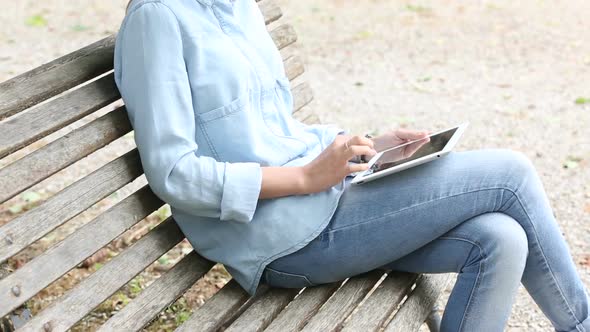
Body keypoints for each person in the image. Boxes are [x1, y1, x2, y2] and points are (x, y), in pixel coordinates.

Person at [114, 0, 590, 331]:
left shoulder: (239, 8)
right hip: (278, 236)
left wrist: (366, 149)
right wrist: (304, 177)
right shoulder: (157, 18)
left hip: (323, 202)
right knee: (511, 175)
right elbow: (174, 172)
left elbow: (277, 129)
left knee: (500, 238)